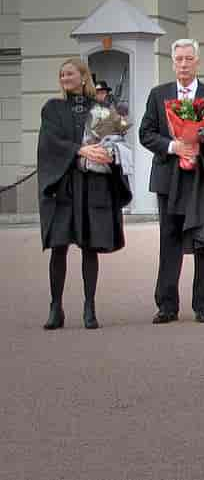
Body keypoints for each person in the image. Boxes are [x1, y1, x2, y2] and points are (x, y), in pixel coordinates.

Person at [139, 39, 204, 325]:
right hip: (169, 178)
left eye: (188, 59)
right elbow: (146, 133)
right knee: (168, 240)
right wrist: (174, 146)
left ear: (197, 62)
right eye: (179, 59)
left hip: (203, 178)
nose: (183, 64)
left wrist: (203, 141)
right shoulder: (158, 95)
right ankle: (167, 306)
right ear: (173, 62)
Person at [37, 57, 132, 330]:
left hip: (92, 187)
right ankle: (56, 307)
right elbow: (49, 142)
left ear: (83, 76)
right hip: (63, 187)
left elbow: (117, 143)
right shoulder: (52, 109)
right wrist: (80, 150)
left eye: (69, 73)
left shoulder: (102, 109)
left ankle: (89, 308)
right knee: (59, 247)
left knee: (90, 247)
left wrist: (107, 152)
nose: (64, 78)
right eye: (61, 74)